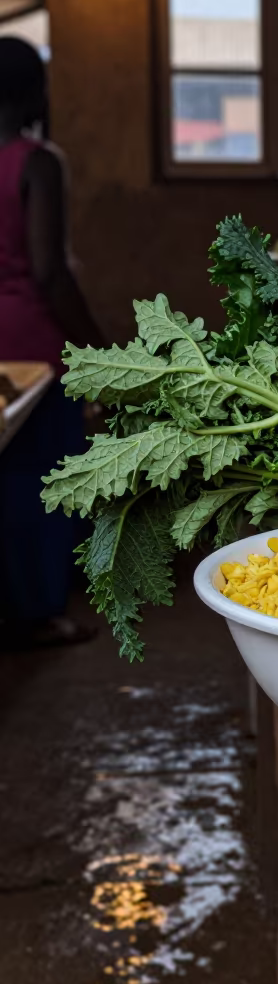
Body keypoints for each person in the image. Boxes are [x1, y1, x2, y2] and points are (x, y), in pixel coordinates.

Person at [0, 36, 104, 648]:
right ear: (34, 91)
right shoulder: (38, 162)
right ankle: (40, 612)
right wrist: (97, 352)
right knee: (45, 479)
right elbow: (49, 271)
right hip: (34, 345)